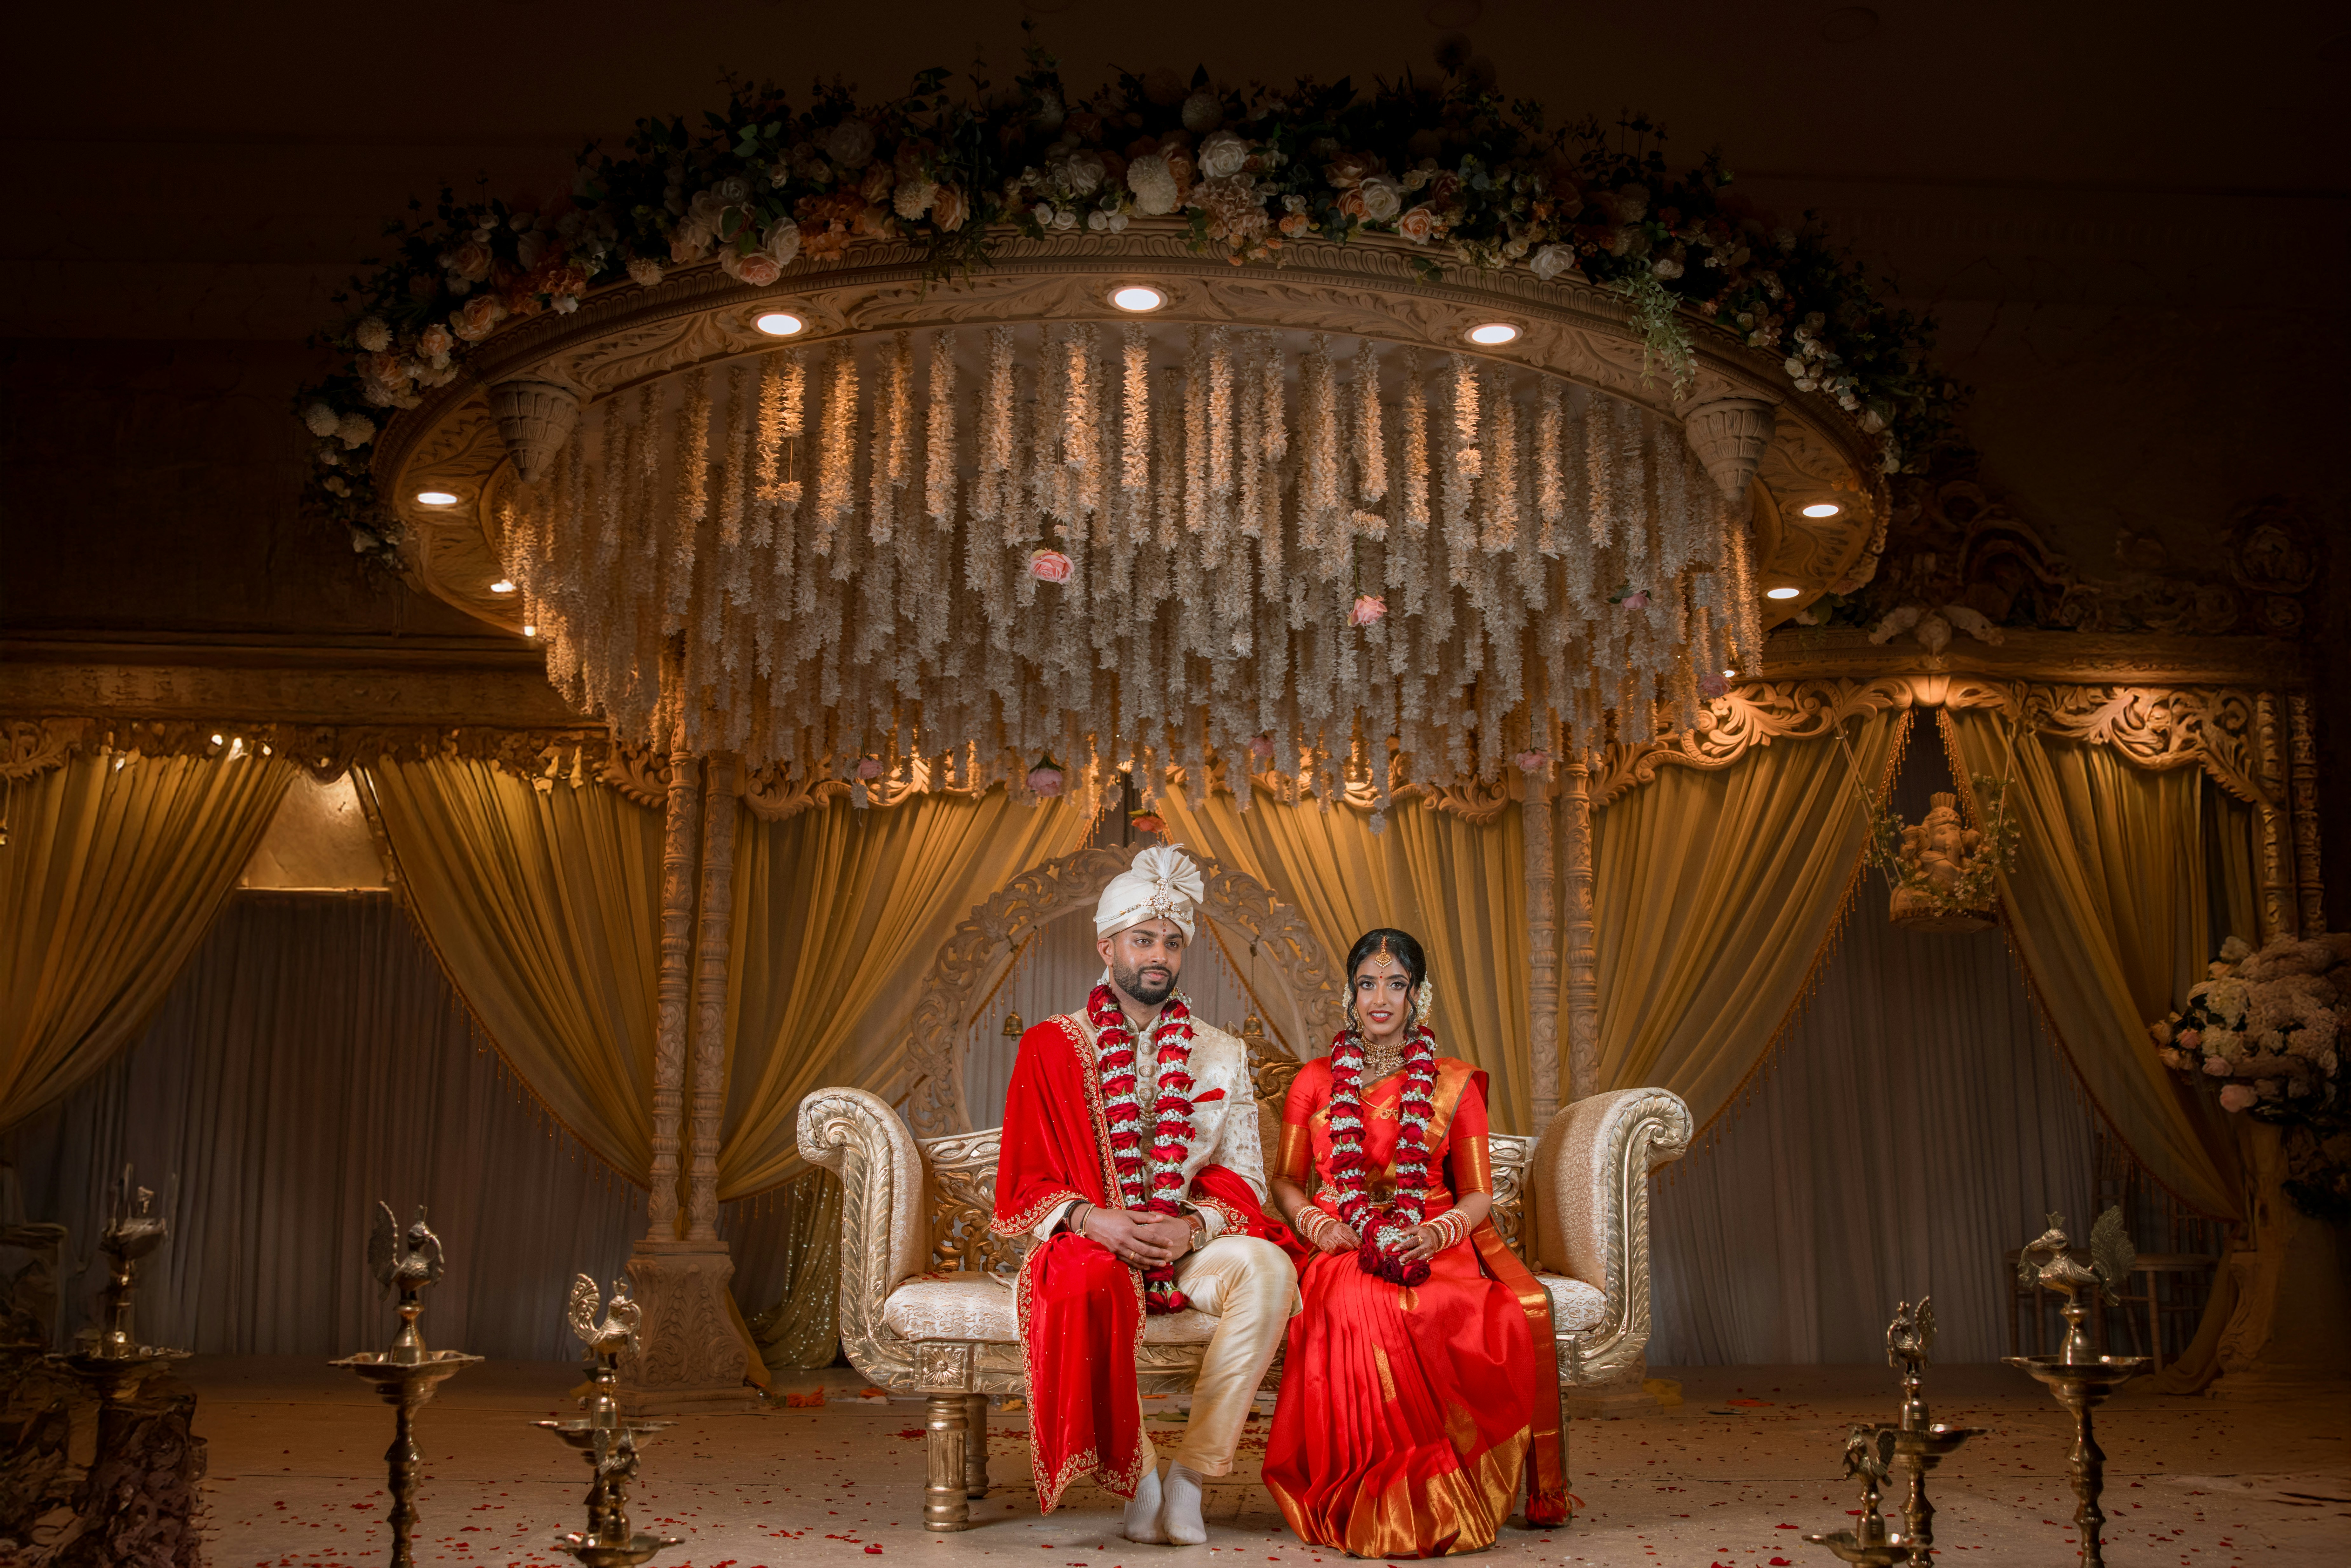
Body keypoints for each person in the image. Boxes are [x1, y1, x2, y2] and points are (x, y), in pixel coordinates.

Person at [989, 844, 1300, 1545]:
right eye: (1142, 939)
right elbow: (1025, 1176)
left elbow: (1246, 1174)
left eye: (1171, 941)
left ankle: (1192, 1473)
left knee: (1268, 1268)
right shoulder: (1050, 1045)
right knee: (1086, 1281)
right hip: (1095, 1241)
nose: (1158, 954)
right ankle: (1143, 1477)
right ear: (1108, 947)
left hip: (1184, 1245)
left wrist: (1193, 1225)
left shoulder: (1221, 1052)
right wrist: (1088, 1217)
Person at [1262, 927, 1569, 1557]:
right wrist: (1316, 1224)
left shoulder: (1454, 1082)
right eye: (1367, 984)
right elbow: (1286, 1181)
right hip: (1341, 1237)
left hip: (1432, 1237)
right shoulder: (1314, 1080)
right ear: (1350, 994)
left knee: (1440, 1306)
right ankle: (1373, 1494)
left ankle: (1440, 1493)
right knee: (1359, 1302)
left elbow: (1477, 1193)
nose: (1380, 999)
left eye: (1395, 984)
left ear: (1417, 994)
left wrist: (1433, 1232)